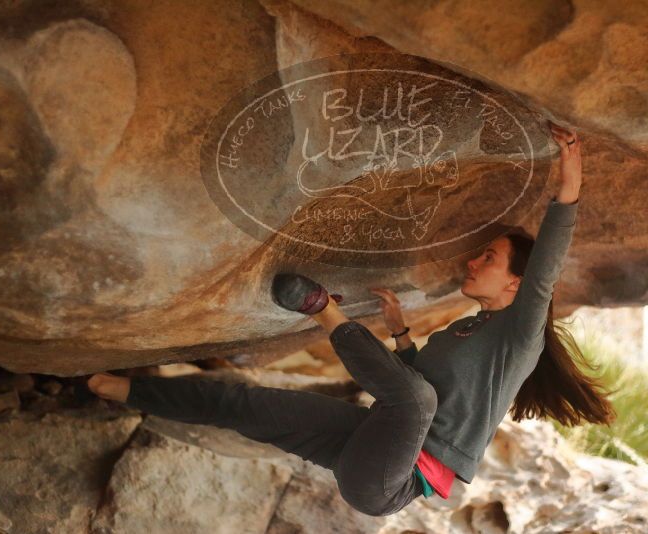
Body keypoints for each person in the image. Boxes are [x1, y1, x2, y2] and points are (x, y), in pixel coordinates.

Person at [86, 121, 615, 517]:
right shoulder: (465, 327)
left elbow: (548, 260)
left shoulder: (521, 335)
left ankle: (322, 308)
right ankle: (126, 392)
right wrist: (401, 331)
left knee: (418, 401)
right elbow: (416, 383)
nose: (473, 261)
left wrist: (570, 168)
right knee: (247, 404)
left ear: (516, 286)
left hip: (390, 480)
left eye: (490, 259)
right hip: (368, 440)